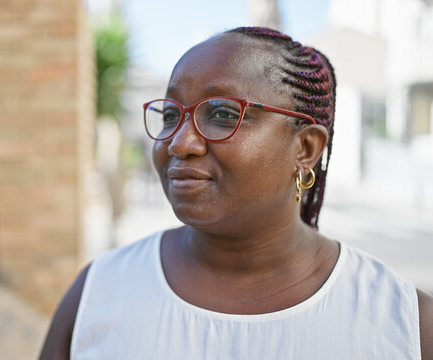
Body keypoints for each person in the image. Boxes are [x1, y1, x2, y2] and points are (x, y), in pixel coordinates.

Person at [39, 26, 433, 359]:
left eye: (224, 114)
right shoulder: (98, 293)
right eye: (171, 115)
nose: (180, 142)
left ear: (305, 149)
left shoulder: (405, 325)